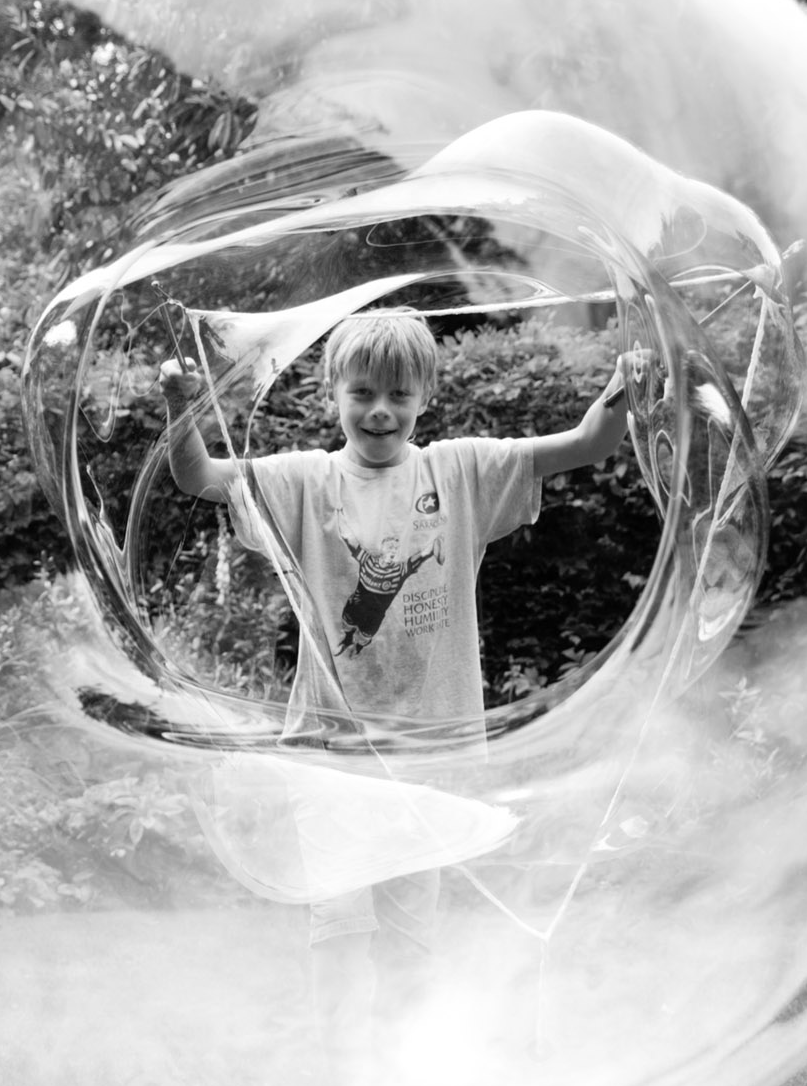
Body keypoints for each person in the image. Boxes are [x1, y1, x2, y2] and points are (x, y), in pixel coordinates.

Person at [159, 307, 642, 1010]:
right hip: (331, 749)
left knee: (412, 934)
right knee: (339, 922)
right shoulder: (304, 481)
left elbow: (587, 444)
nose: (380, 412)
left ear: (426, 397)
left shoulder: (463, 471)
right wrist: (181, 407)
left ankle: (394, 1084)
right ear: (333, 393)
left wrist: (621, 391)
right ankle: (339, 1078)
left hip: (430, 749)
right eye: (362, 394)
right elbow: (197, 475)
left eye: (398, 395)